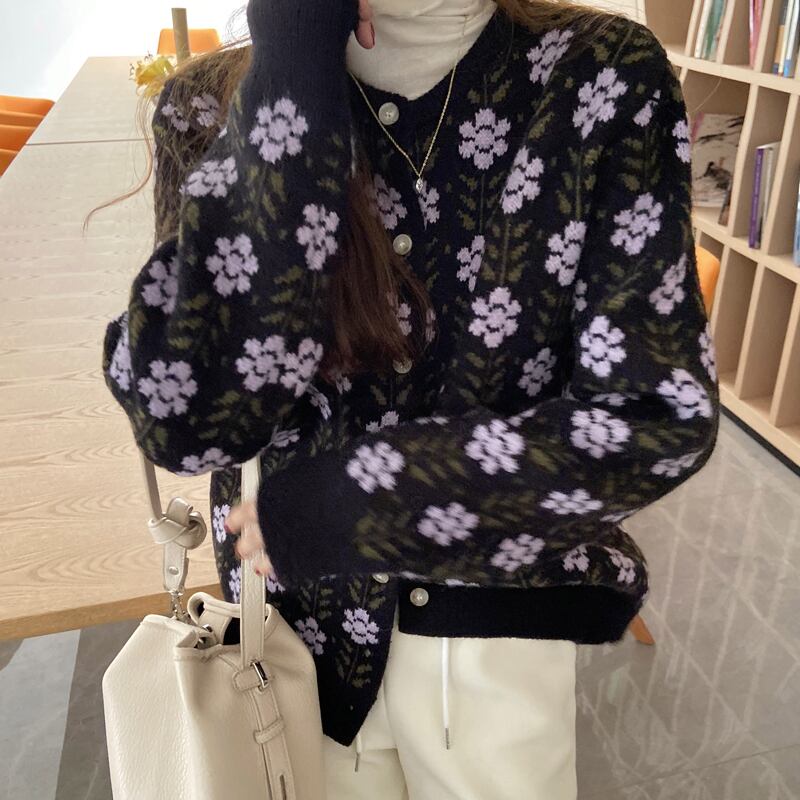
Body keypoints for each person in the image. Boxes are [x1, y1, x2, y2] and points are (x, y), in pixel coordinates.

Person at [100, 0, 720, 796]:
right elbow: (186, 421)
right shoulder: (209, 105)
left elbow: (654, 417)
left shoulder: (602, 74)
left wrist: (362, 499)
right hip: (286, 638)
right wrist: (291, 79)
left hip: (496, 631)